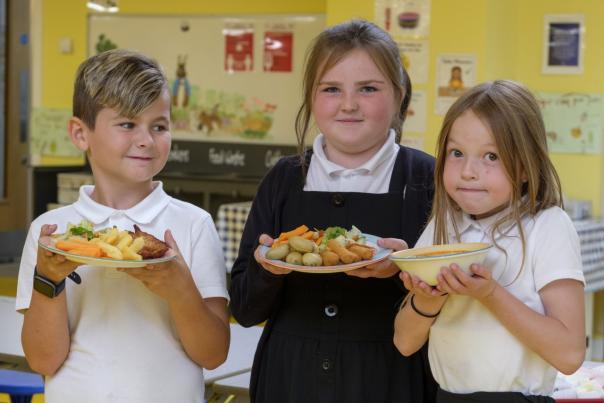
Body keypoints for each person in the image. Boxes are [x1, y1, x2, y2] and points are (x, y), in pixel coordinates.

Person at [230, 20, 437, 403]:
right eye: (331, 89)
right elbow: (243, 308)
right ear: (311, 97)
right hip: (289, 378)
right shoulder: (283, 179)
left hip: (395, 379)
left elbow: (453, 300)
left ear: (399, 94)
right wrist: (268, 269)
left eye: (369, 89)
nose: (348, 104)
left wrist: (403, 269)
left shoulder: (428, 179)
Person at [16, 49, 230, 403]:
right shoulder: (52, 231)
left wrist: (180, 289)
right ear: (80, 134)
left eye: (159, 126)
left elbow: (213, 354)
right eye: (128, 124)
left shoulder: (192, 225)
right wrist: (47, 280)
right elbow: (43, 359)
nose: (146, 140)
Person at [393, 80, 585, 403]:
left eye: (491, 156)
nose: (468, 171)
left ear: (526, 167)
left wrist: (489, 294)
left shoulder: (548, 226)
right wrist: (428, 298)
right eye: (456, 153)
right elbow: (404, 342)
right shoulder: (444, 225)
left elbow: (569, 354)